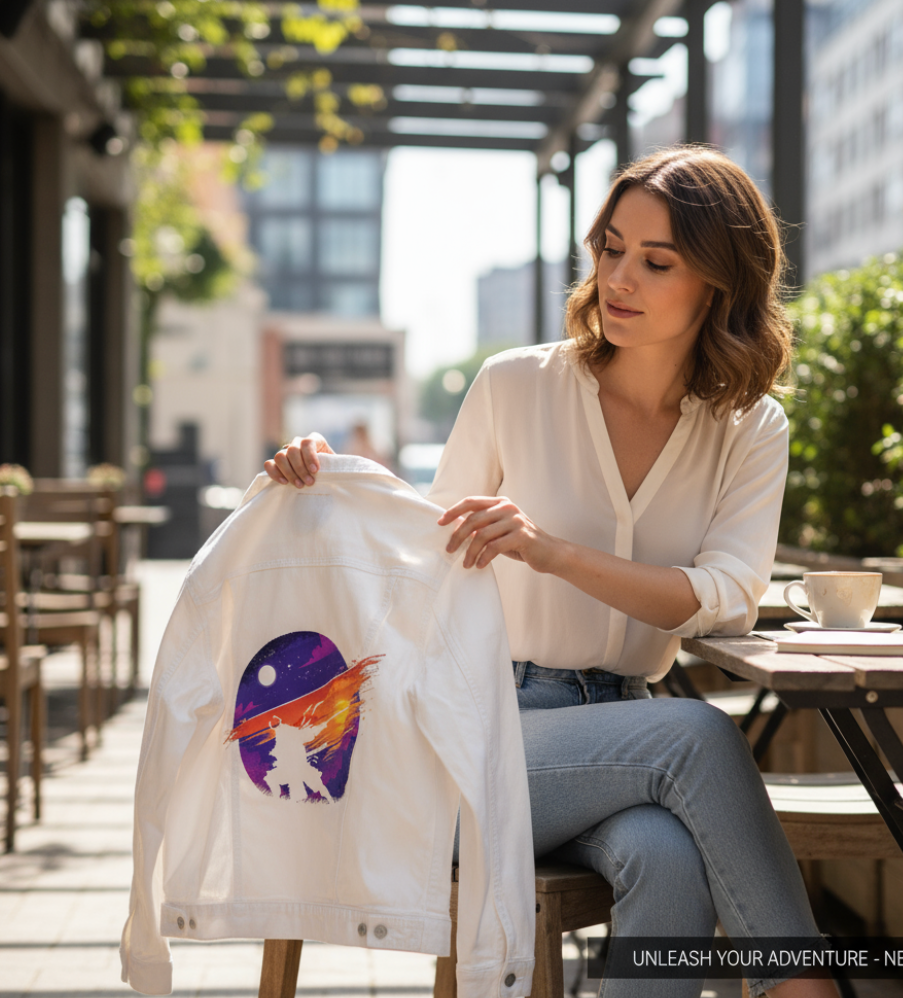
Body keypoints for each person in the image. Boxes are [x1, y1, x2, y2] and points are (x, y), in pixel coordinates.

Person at [265, 146, 837, 998]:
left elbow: (724, 599)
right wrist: (323, 487)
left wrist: (552, 552)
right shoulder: (516, 386)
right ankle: (806, 988)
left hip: (621, 730)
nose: (619, 278)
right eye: (610, 248)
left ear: (719, 283)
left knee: (668, 858)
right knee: (701, 736)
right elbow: (418, 557)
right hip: (476, 727)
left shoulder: (749, 428)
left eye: (656, 261)